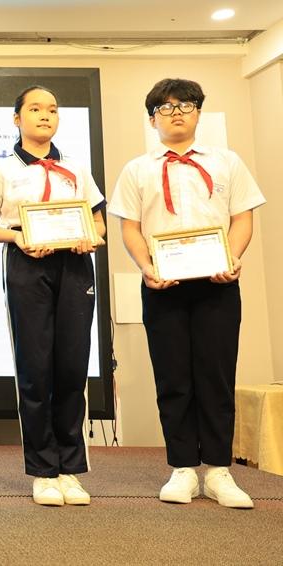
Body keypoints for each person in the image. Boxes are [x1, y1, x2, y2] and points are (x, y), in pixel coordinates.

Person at [108, 78, 265, 509]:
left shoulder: (227, 162)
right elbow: (130, 228)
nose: (177, 112)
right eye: (166, 106)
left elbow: (242, 218)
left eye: (187, 104)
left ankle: (218, 470)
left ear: (199, 112)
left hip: (218, 284)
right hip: (163, 286)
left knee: (215, 375)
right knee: (173, 376)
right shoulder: (137, 169)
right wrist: (146, 268)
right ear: (152, 118)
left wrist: (231, 259)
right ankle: (181, 469)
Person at [0, 85, 106, 507]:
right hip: (27, 265)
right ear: (17, 119)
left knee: (72, 367)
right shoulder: (2, 172)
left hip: (75, 266)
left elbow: (98, 223)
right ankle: (44, 470)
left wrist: (91, 239)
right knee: (35, 370)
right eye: (34, 109)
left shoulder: (77, 170)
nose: (45, 116)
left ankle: (71, 468)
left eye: (52, 109)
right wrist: (18, 237)